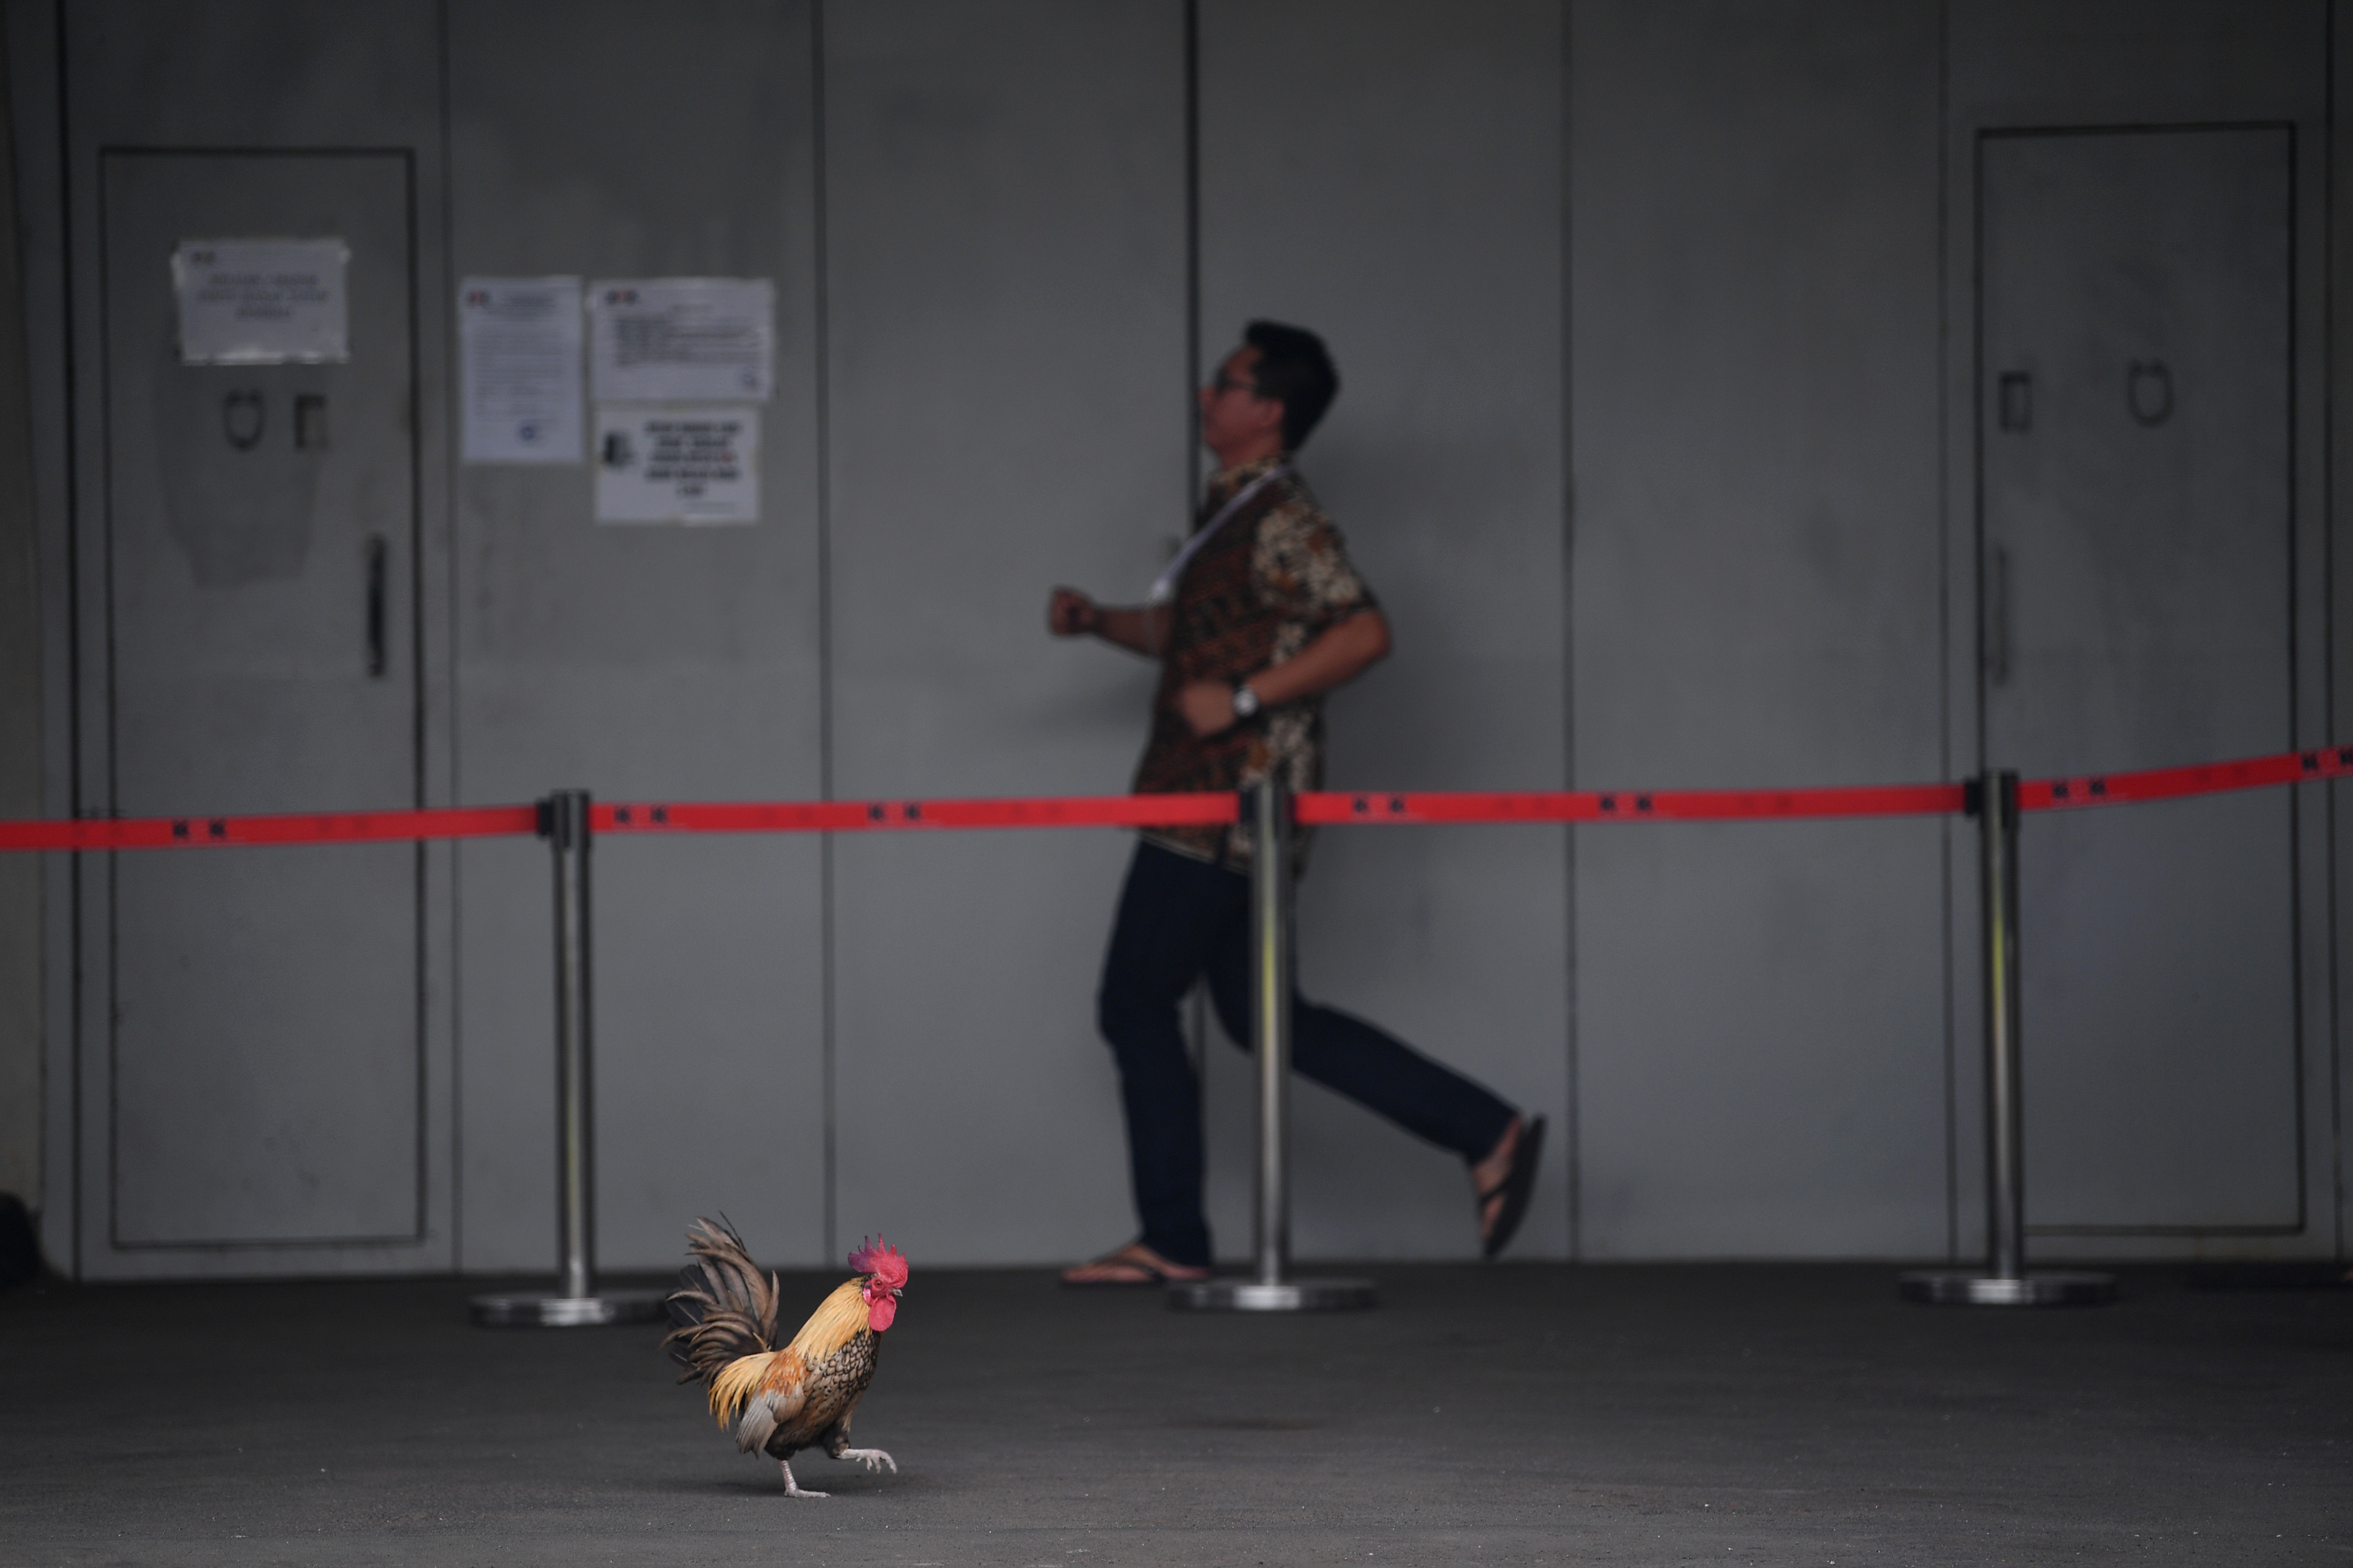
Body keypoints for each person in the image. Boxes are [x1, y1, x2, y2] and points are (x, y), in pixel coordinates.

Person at [1048, 321, 1545, 1286]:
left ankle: (1175, 1241)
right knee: (1271, 1021)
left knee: (1135, 1000)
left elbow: (1364, 631)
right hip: (1231, 812)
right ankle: (1487, 1129)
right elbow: (1197, 639)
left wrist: (1239, 704)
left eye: (1222, 384)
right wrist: (1100, 621)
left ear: (1266, 409)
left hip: (1219, 805)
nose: (1205, 396)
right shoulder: (1232, 514)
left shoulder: (1280, 514)